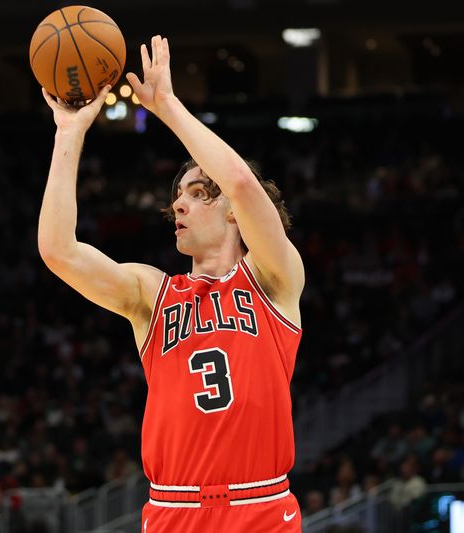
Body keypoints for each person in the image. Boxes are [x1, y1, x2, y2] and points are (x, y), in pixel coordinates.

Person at [39, 35, 304, 532]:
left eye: (199, 193)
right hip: (173, 510)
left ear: (232, 212)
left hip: (260, 507)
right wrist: (68, 134)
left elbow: (244, 184)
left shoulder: (273, 278)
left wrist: (167, 106)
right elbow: (57, 251)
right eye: (177, 195)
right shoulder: (151, 293)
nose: (179, 204)